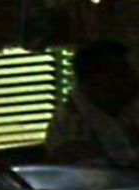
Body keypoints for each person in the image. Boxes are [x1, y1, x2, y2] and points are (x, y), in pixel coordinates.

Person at [45, 39, 139, 167]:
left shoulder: (127, 109)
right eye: (124, 74)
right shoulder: (72, 124)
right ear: (95, 80)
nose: (134, 79)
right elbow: (95, 175)